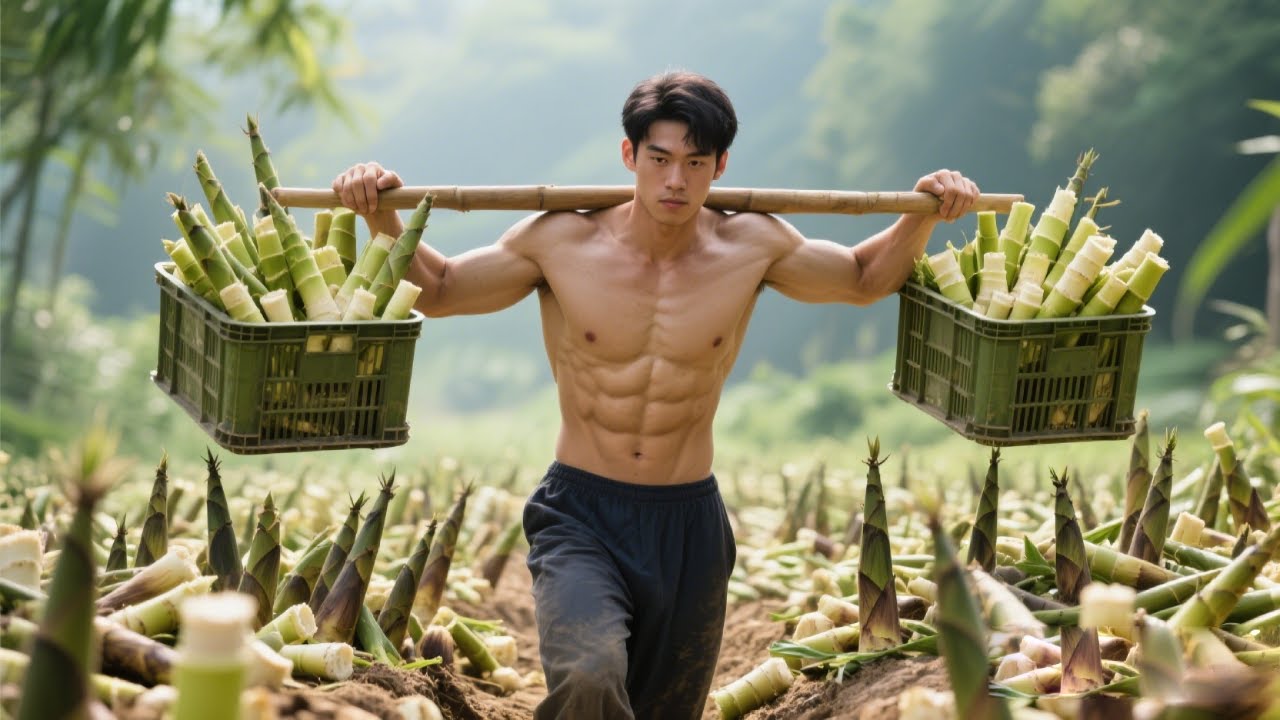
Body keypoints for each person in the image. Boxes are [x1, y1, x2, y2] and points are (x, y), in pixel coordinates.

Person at [333, 71, 978, 720]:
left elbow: (865, 278)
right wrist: (378, 213)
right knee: (589, 678)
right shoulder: (562, 240)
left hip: (688, 526)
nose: (676, 182)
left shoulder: (752, 244)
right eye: (660, 160)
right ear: (629, 156)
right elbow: (441, 290)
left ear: (720, 165)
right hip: (581, 512)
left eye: (696, 164)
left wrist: (923, 212)